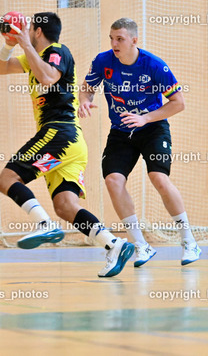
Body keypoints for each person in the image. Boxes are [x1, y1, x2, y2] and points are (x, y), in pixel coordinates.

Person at [0, 12, 134, 278]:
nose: (26, 31)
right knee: (66, 206)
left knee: (6, 180)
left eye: (29, 28)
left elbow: (48, 77)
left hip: (59, 134)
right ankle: (114, 244)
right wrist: (9, 44)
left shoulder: (58, 51)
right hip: (69, 144)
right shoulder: (33, 57)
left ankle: (44, 224)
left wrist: (24, 44)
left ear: (38, 31)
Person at [79, 17, 201, 267]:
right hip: (121, 131)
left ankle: (189, 240)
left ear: (134, 40)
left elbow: (178, 103)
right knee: (113, 180)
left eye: (120, 39)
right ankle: (140, 245)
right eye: (111, 39)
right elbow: (87, 87)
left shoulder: (154, 65)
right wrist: (84, 101)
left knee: (159, 178)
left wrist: (145, 118)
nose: (114, 44)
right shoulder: (103, 61)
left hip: (152, 128)